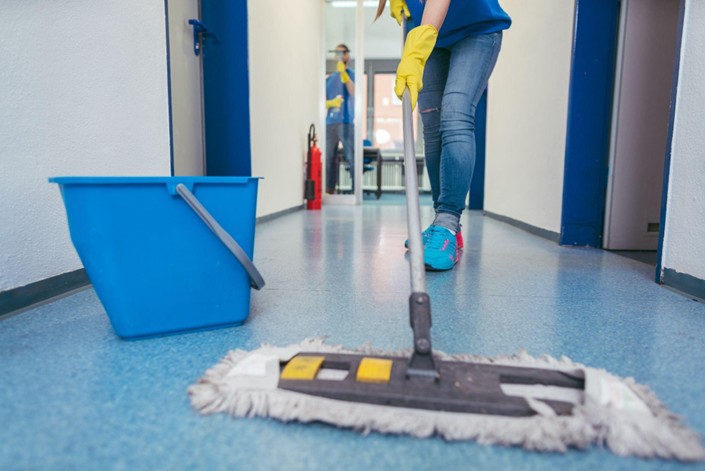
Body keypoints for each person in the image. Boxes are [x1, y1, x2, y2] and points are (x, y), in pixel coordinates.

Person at [377, 0, 511, 271]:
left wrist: (415, 53)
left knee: (455, 115)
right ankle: (444, 223)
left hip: (476, 29)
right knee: (432, 125)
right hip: (434, 40)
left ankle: (448, 224)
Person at [325, 44, 356, 194]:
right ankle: (329, 190)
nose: (340, 55)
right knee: (329, 158)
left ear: (347, 56)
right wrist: (330, 103)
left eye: (343, 53)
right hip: (330, 123)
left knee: (351, 157)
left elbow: (354, 91)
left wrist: (345, 76)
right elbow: (321, 102)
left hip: (347, 122)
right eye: (337, 52)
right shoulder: (329, 79)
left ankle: (355, 191)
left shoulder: (352, 74)